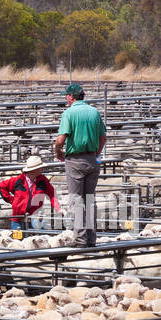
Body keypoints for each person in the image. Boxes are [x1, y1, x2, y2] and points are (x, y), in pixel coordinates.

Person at [54, 82, 106, 247]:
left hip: (75, 159)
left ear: (71, 96)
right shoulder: (94, 112)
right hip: (93, 159)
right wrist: (97, 154)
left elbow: (61, 139)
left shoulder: (69, 113)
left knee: (77, 200)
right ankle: (91, 238)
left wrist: (58, 151)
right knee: (90, 198)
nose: (66, 99)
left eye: (66, 96)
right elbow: (103, 137)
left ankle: (81, 238)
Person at [0, 155, 61, 231]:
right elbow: (1, 186)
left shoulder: (43, 181)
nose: (42, 169)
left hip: (35, 215)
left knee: (36, 239)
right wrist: (12, 201)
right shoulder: (18, 181)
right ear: (35, 169)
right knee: (17, 240)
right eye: (40, 167)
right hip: (18, 217)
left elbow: (52, 194)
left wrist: (58, 208)